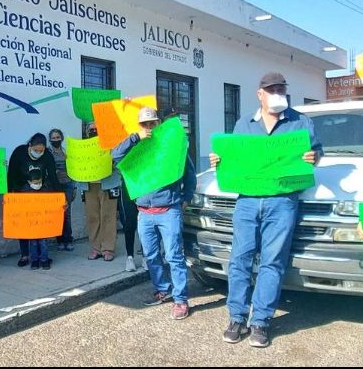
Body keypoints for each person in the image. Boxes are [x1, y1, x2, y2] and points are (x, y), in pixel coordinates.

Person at [210, 72, 322, 348]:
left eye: (281, 89)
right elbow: (233, 159)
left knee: (273, 261)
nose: (277, 93)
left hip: (282, 202)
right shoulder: (243, 124)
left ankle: (260, 321)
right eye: (271, 89)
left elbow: (317, 153)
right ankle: (237, 317)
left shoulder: (300, 122)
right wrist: (219, 160)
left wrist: (313, 156)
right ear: (259, 93)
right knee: (240, 259)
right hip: (247, 201)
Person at [112, 107, 196, 321]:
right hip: (144, 212)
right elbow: (115, 155)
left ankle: (180, 299)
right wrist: (134, 138)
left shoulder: (171, 146)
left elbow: (189, 173)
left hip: (169, 210)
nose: (149, 127)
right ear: (140, 126)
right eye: (145, 124)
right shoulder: (136, 147)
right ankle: (162, 289)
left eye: (152, 123)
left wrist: (186, 198)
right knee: (150, 255)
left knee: (174, 256)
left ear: (159, 124)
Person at [7, 133, 63, 267]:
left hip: (40, 193)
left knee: (40, 226)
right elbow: (11, 174)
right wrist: (9, 196)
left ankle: (41, 257)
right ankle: (25, 255)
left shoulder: (47, 155)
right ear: (30, 145)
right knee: (24, 225)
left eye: (41, 151)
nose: (39, 153)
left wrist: (60, 196)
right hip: (22, 193)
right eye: (36, 150)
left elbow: (54, 178)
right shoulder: (19, 152)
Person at [80, 122, 120, 262]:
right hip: (89, 186)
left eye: (96, 129)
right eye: (91, 129)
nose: (94, 131)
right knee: (93, 217)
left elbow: (120, 161)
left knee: (108, 216)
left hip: (108, 184)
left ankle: (108, 248)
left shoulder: (112, 145)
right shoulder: (83, 147)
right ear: (87, 131)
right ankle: (96, 248)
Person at [17, 167, 54, 270]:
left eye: (39, 182)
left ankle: (44, 260)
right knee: (33, 243)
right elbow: (18, 206)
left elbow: (53, 203)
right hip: (31, 223)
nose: (38, 184)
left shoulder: (46, 189)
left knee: (43, 242)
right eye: (35, 182)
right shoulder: (24, 191)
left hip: (43, 222)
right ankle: (34, 261)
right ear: (29, 181)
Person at [48, 128, 76, 251]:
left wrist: (74, 186)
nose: (56, 140)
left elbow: (74, 170)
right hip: (54, 186)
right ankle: (59, 240)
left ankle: (68, 240)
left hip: (68, 184)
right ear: (50, 140)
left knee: (67, 214)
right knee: (57, 214)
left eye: (57, 137)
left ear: (62, 138)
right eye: (53, 138)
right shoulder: (48, 153)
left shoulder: (67, 152)